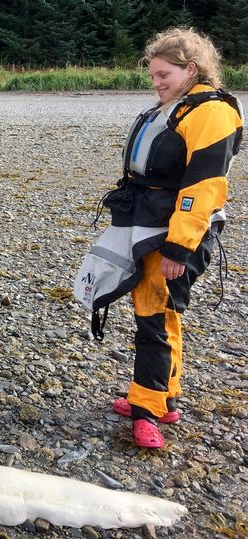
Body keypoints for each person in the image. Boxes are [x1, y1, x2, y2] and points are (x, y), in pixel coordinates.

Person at [97, 28, 243, 448]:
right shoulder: (179, 108)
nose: (157, 83)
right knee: (161, 313)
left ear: (190, 70)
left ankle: (146, 410)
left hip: (174, 233)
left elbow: (204, 186)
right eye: (154, 76)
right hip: (149, 222)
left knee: (154, 318)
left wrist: (180, 247)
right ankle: (165, 398)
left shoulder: (211, 114)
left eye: (164, 75)